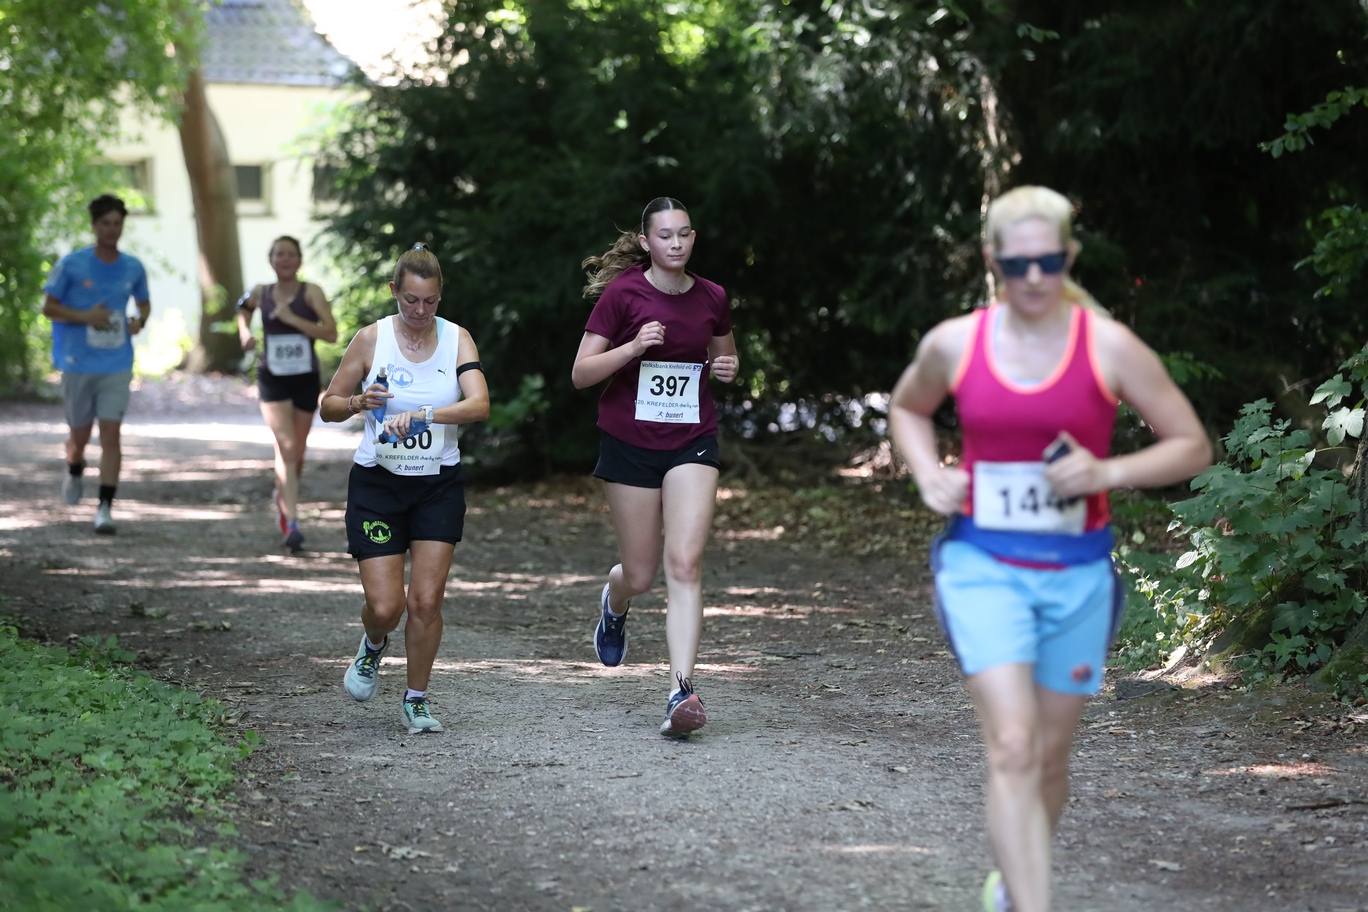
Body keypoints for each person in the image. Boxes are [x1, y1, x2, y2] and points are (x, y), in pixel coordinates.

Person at [887, 186, 1211, 912]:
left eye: (1049, 261)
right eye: (1017, 264)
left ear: (1070, 256)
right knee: (1013, 744)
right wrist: (928, 472)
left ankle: (1014, 879)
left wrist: (1107, 473)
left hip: (1077, 574)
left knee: (1050, 758)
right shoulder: (955, 343)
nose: (1034, 277)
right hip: (981, 564)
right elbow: (907, 406)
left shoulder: (1108, 345)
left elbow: (1192, 445)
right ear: (992, 259)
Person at [572, 197, 740, 737]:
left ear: (693, 238)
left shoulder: (712, 296)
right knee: (641, 575)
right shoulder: (623, 295)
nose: (676, 243)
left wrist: (729, 369)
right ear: (646, 242)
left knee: (685, 563)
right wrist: (632, 347)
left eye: (684, 234)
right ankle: (615, 600)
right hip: (630, 443)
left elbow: (724, 357)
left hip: (692, 439)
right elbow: (581, 373)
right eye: (665, 235)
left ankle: (680, 692)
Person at [320, 244, 488, 734]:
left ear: (440, 295)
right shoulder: (371, 339)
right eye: (411, 300)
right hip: (378, 484)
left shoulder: (457, 339)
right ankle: (373, 643)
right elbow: (328, 405)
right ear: (394, 291)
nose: (420, 311)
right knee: (386, 606)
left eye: (430, 301)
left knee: (426, 602)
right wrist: (357, 402)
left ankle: (416, 699)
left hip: (437, 484)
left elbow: (479, 405)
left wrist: (426, 415)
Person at [42, 194, 152, 535]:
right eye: (105, 223)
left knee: (111, 434)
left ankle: (105, 507)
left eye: (117, 223)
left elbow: (144, 304)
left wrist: (139, 320)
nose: (111, 229)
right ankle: (74, 466)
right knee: (79, 437)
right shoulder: (72, 264)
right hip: (77, 361)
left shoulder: (133, 267)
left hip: (117, 362)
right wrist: (85, 316)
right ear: (94, 225)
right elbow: (48, 307)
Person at [236, 236, 338, 552]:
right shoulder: (261, 292)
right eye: (279, 254)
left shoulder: (311, 292)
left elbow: (331, 333)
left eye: (291, 254)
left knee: (297, 453)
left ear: (299, 260)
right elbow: (242, 308)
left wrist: (292, 318)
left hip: (305, 378)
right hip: (273, 377)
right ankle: (292, 522)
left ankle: (282, 493)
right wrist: (245, 332)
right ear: (271, 259)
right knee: (287, 445)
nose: (285, 259)